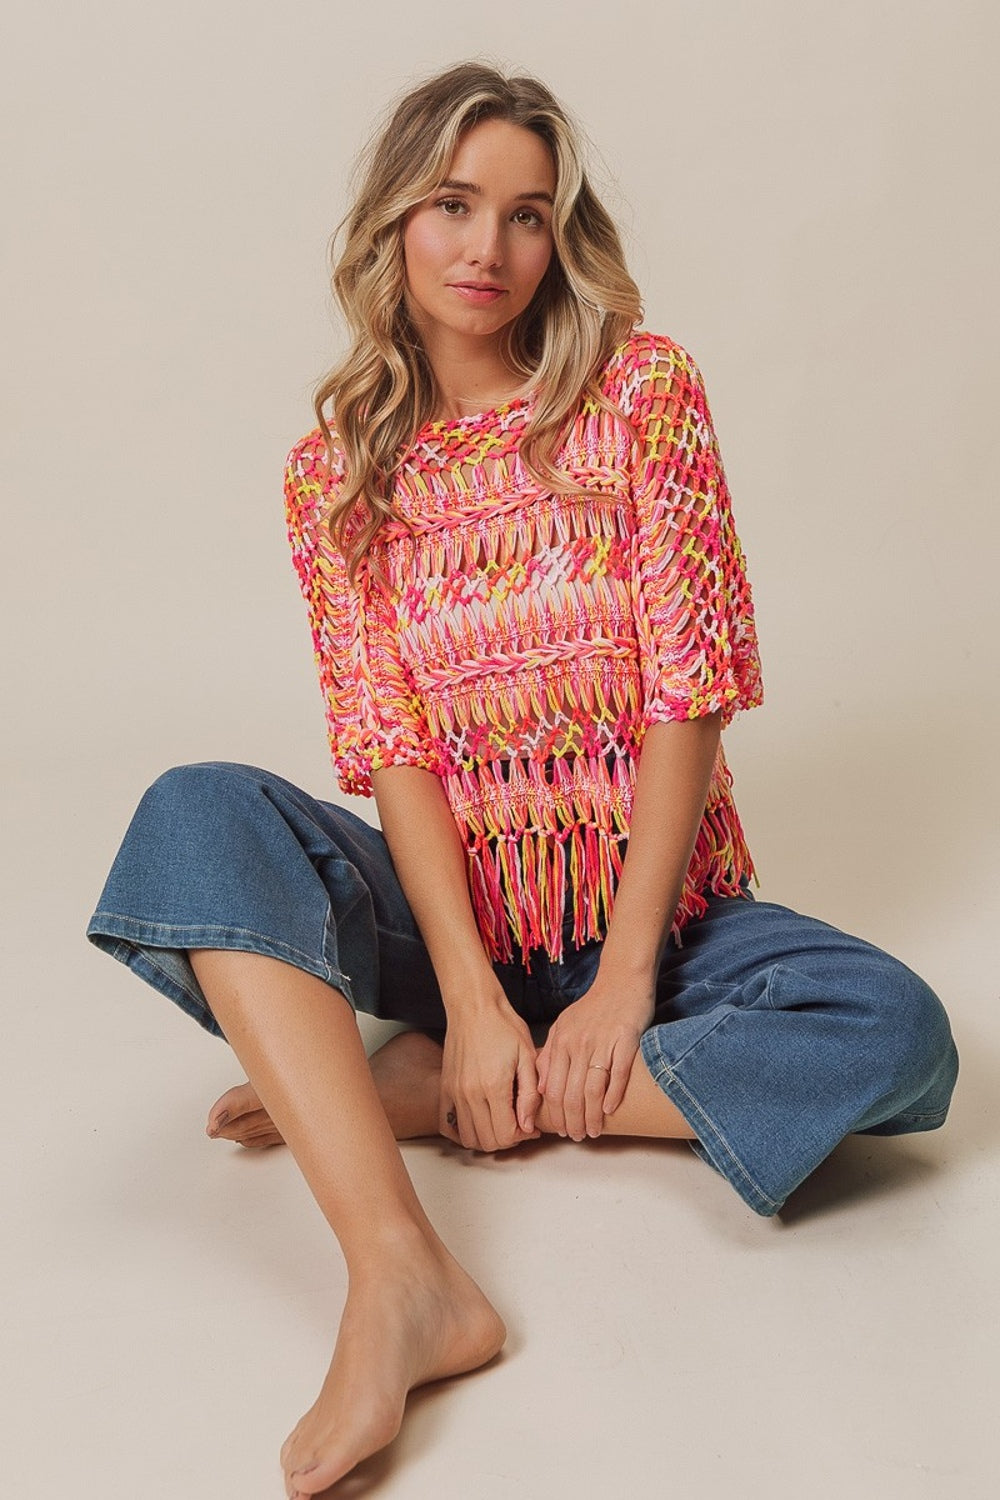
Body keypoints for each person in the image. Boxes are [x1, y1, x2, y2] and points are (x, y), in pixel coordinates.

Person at [86, 60, 959, 1497]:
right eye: (452, 205)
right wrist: (475, 995)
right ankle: (404, 1277)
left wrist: (619, 983)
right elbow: (396, 754)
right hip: (450, 928)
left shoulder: (641, 397)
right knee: (191, 813)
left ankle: (415, 1098)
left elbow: (690, 695)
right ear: (394, 227)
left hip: (657, 922)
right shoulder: (338, 472)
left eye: (528, 215)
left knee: (898, 1033)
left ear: (563, 239)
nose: (488, 249)